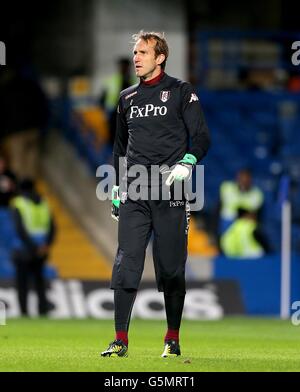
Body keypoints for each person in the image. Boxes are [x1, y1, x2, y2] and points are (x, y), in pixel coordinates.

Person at [101, 31, 210, 358]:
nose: (136, 57)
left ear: (160, 57)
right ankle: (120, 340)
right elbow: (120, 148)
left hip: (171, 190)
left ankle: (172, 339)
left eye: (143, 52)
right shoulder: (126, 98)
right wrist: (117, 186)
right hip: (135, 191)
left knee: (172, 268)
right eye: (135, 52)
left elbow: (202, 137)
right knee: (126, 262)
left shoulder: (181, 92)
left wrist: (188, 162)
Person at [11, 179, 55, 316]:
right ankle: (42, 311)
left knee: (22, 284)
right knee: (39, 282)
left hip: (23, 250)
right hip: (41, 250)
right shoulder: (44, 203)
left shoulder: (19, 203)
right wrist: (45, 245)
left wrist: (33, 246)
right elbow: (53, 228)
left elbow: (20, 230)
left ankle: (24, 312)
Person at [100, 58, 135, 146]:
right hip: (113, 111)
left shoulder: (133, 80)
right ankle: (113, 154)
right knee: (113, 134)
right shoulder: (113, 79)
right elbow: (103, 96)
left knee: (126, 136)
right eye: (122, 66)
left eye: (125, 66)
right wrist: (103, 110)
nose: (123, 68)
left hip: (128, 112)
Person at [218, 168, 264, 235]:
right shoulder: (227, 188)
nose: (244, 182)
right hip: (226, 222)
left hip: (244, 225)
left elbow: (253, 215)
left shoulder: (257, 194)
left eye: (246, 180)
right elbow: (217, 209)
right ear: (237, 178)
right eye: (242, 179)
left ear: (250, 180)